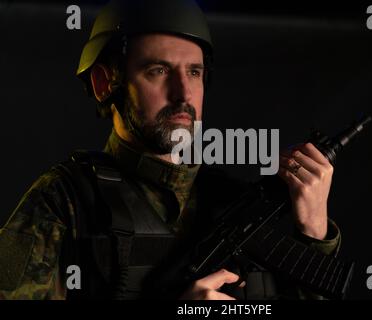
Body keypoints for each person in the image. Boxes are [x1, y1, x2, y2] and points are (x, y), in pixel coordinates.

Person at [0, 0, 341, 300]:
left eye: (194, 72)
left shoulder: (229, 199)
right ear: (105, 83)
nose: (183, 94)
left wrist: (314, 231)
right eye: (158, 70)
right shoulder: (65, 201)